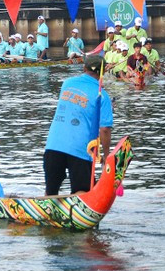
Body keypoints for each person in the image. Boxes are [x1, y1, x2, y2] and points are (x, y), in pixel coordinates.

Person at [43, 55, 113, 195]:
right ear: (103, 71)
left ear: (83, 68)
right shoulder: (103, 96)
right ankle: (78, 215)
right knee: (82, 190)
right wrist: (106, 156)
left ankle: (48, 213)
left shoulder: (67, 84)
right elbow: (104, 129)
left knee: (51, 190)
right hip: (80, 149)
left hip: (53, 145)